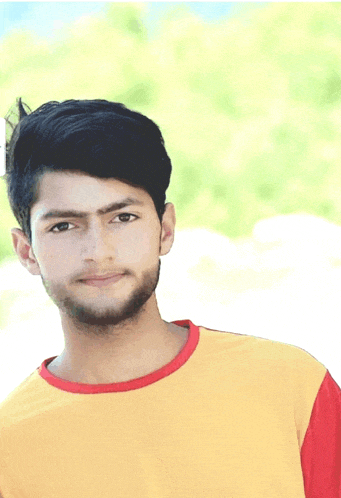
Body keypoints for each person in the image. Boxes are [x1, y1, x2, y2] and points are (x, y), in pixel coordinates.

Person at [0, 98, 340, 498]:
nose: (98, 249)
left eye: (122, 218)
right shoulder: (10, 449)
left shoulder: (292, 386)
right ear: (26, 250)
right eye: (63, 226)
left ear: (165, 229)